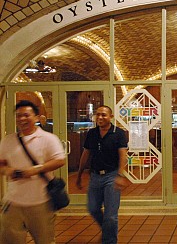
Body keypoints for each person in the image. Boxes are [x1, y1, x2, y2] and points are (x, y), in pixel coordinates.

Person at [0, 100, 65, 243]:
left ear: (36, 117)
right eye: (18, 116)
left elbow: (60, 160)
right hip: (13, 202)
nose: (22, 119)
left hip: (40, 202)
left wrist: (36, 169)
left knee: (44, 240)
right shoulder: (8, 141)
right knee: (9, 239)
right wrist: (7, 170)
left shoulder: (48, 139)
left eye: (26, 115)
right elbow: (1, 164)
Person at [76, 105, 128, 243]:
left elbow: (123, 155)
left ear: (110, 117)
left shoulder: (118, 133)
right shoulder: (92, 133)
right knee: (92, 208)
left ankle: (109, 241)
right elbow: (86, 153)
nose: (100, 117)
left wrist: (120, 175)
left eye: (103, 115)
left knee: (111, 216)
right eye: (98, 114)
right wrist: (79, 174)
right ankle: (107, 231)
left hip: (112, 176)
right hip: (95, 177)